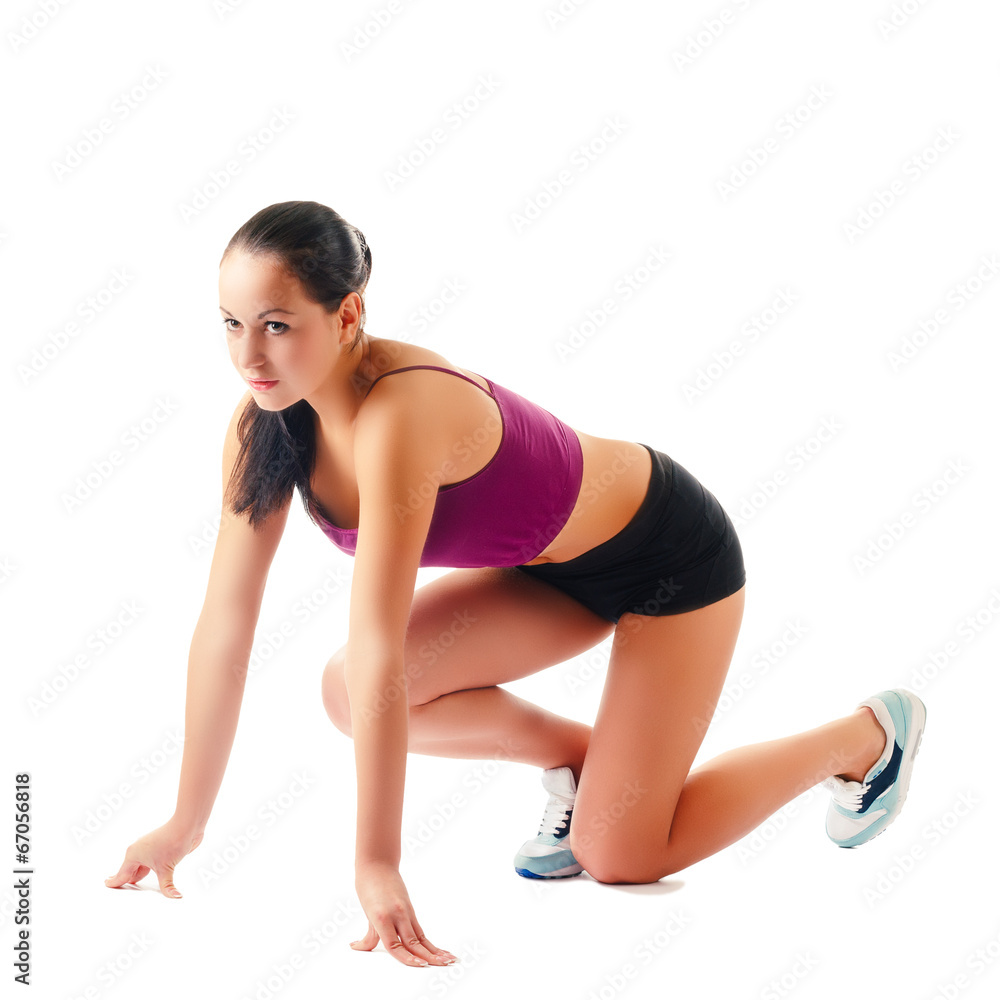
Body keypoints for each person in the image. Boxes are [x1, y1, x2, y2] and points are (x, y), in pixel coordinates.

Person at [104, 200, 928, 968]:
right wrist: (186, 821)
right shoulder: (265, 425)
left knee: (621, 857)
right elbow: (225, 626)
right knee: (343, 693)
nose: (249, 355)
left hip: (670, 558)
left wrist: (377, 862)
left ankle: (864, 739)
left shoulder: (400, 416)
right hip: (549, 573)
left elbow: (384, 646)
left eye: (278, 326)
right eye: (232, 325)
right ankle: (584, 770)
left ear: (348, 314)